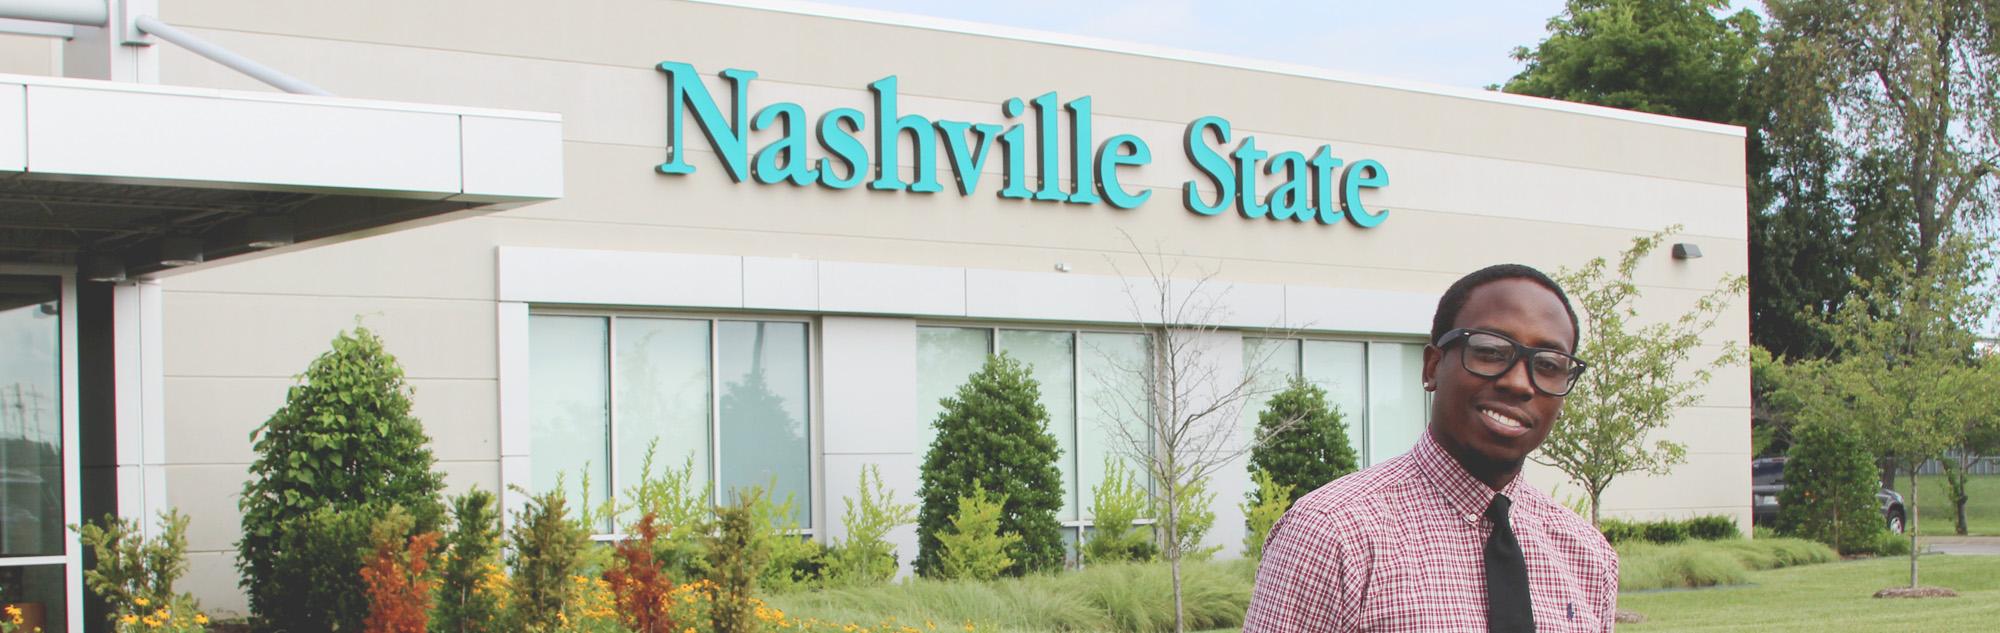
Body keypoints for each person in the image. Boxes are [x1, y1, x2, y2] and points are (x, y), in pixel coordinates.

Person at [1243, 264, 1618, 632]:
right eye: (1490, 351)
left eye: (1549, 363)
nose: (1520, 383)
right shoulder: (1332, 534)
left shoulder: (1587, 553)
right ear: (1432, 367)